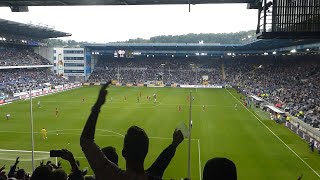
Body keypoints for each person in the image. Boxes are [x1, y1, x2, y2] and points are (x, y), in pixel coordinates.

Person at [80, 82, 162, 180]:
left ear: (123, 153)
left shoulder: (112, 176)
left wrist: (98, 105)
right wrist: (173, 145)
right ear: (146, 153)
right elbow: (162, 162)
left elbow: (86, 141)